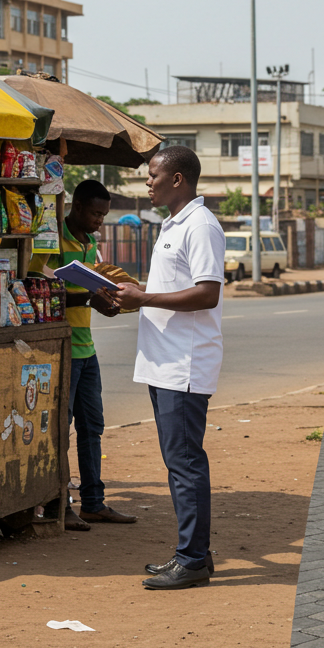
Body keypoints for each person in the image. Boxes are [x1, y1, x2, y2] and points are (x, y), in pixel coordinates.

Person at [111, 146, 225, 590]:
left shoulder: (200, 225)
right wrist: (130, 295)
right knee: (179, 460)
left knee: (184, 462)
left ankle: (192, 559)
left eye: (153, 175)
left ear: (178, 179)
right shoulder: (172, 225)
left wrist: (144, 298)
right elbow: (168, 290)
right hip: (164, 362)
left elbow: (207, 293)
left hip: (185, 363)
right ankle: (196, 554)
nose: (147, 183)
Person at [27, 179, 137, 530]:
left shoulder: (89, 243)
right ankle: (61, 503)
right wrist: (86, 298)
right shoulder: (52, 239)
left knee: (93, 427)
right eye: (94, 214)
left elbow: (88, 291)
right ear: (75, 207)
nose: (98, 222)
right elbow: (34, 286)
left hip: (86, 347)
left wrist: (104, 299)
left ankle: (94, 502)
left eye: (103, 216)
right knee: (61, 429)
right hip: (61, 349)